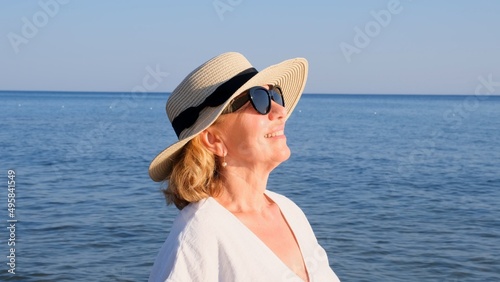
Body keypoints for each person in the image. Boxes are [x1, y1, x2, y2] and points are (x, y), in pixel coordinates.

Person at [148, 52, 340, 282]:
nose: (281, 112)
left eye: (275, 95)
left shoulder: (289, 211)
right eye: (259, 99)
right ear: (213, 140)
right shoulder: (198, 235)